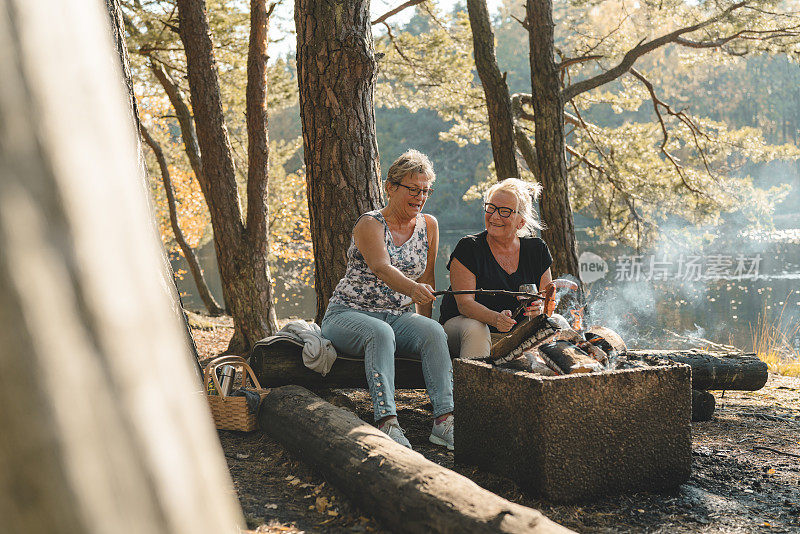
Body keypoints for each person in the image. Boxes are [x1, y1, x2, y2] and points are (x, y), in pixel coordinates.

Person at [320, 149, 454, 450]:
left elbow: (427, 279)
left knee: (433, 332)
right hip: (348, 315)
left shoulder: (428, 225)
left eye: (425, 191)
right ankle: (387, 423)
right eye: (412, 189)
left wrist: (423, 322)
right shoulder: (370, 224)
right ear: (390, 187)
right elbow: (382, 268)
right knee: (379, 333)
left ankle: (444, 422)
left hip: (398, 316)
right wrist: (412, 290)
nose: (419, 197)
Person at [438, 178, 553, 359]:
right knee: (476, 327)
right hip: (462, 328)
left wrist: (540, 309)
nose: (494, 216)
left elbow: (547, 300)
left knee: (556, 322)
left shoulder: (536, 250)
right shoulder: (469, 247)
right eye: (491, 208)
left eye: (505, 211)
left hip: (515, 332)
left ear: (521, 222)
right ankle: (475, 385)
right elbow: (465, 305)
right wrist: (495, 319)